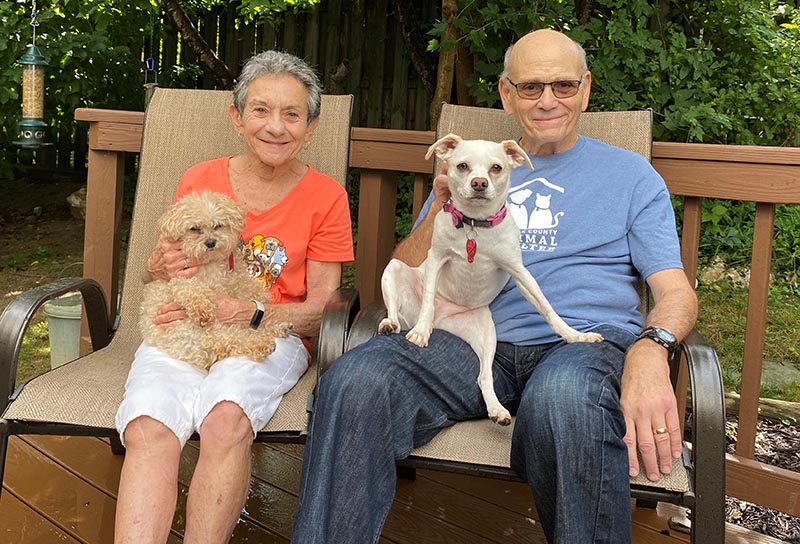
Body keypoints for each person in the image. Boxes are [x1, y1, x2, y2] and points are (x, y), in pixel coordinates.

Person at [291, 29, 697, 544]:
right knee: (354, 380)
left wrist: (651, 348)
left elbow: (677, 293)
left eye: (564, 86)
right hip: (466, 337)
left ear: (587, 88)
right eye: (530, 87)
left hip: (581, 346)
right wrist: (441, 204)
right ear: (506, 94)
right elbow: (410, 264)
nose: (548, 100)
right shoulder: (469, 167)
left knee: (566, 397)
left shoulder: (632, 176)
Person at [113, 50, 354, 544]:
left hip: (268, 333)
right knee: (148, 427)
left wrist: (251, 310)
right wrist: (158, 267)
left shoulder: (327, 195)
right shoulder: (199, 179)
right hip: (182, 323)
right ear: (237, 117)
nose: (276, 127)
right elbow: (157, 269)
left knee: (225, 420)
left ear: (311, 127)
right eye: (261, 110)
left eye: (292, 114)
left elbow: (322, 310)